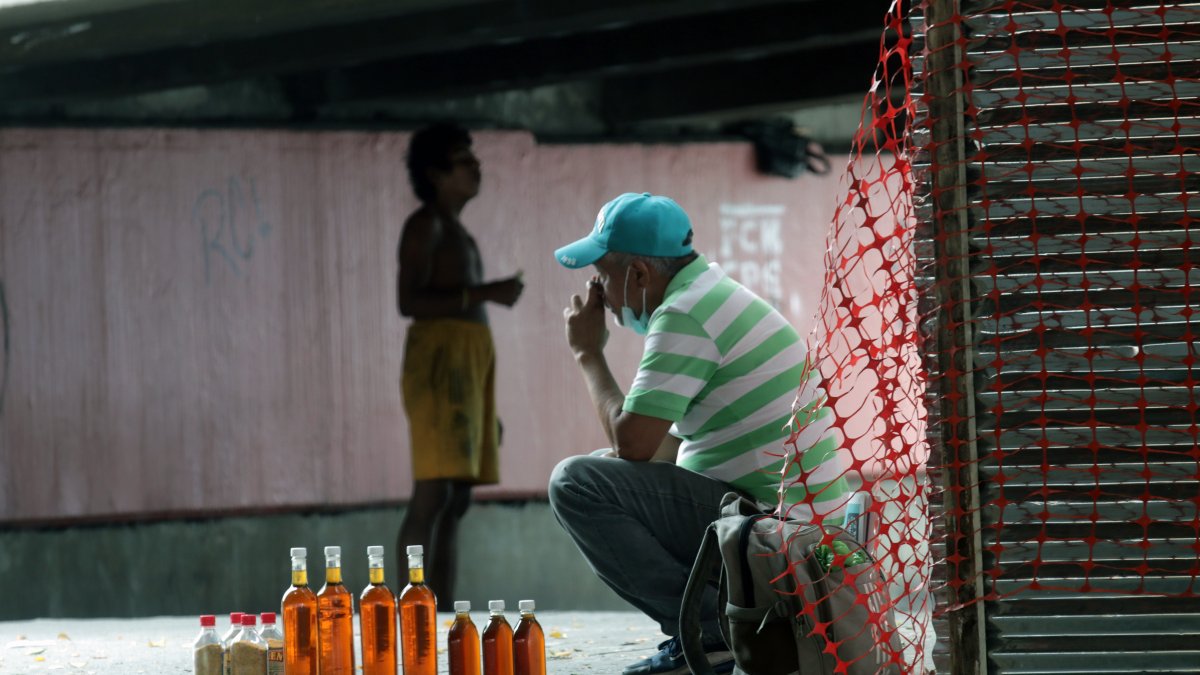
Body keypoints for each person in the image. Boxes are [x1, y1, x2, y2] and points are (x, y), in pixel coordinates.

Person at [549, 192, 849, 675]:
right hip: (792, 534)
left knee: (574, 483)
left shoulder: (685, 314)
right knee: (602, 470)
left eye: (602, 276)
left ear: (639, 274)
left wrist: (588, 353)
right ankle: (716, 631)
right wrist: (618, 465)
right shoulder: (709, 296)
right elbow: (656, 450)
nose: (600, 294)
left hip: (780, 541)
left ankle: (708, 634)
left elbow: (634, 443)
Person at [396, 122, 524, 609]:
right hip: (439, 366)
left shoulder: (457, 231)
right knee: (431, 492)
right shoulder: (425, 225)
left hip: (468, 369)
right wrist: (486, 292)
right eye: (463, 160)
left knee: (456, 498)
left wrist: (487, 410)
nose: (476, 167)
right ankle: (411, 608)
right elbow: (408, 302)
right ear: (435, 173)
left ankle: (443, 608)